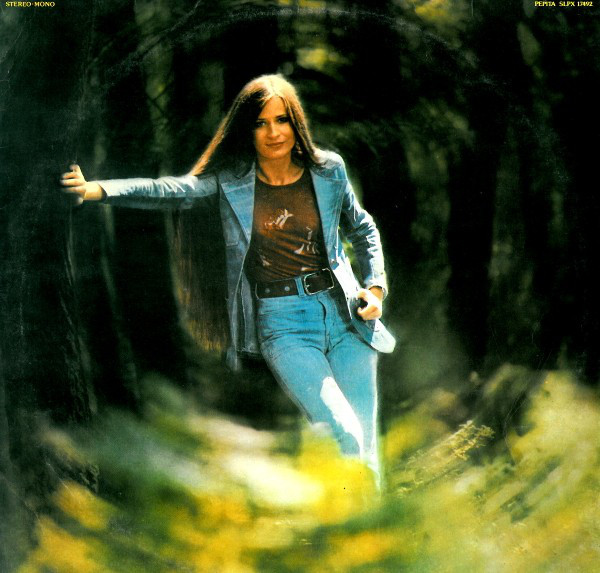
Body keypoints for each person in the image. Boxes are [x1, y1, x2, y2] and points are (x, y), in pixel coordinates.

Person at [61, 74, 395, 486]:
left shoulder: (328, 171)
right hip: (285, 325)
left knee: (366, 447)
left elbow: (362, 227)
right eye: (260, 123)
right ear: (246, 130)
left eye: (282, 120)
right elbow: (169, 190)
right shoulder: (231, 184)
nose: (274, 133)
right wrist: (97, 189)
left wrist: (374, 289)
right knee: (344, 434)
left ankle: (369, 526)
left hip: (347, 314)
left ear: (296, 123)